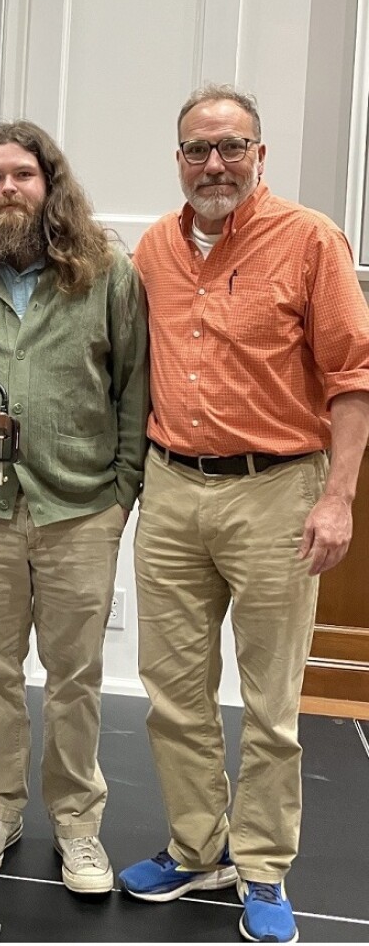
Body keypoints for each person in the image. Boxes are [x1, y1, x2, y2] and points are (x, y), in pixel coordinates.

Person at [117, 84, 369, 943]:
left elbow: (352, 377)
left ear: (260, 153)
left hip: (278, 490)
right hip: (173, 488)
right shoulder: (153, 246)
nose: (214, 164)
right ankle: (197, 847)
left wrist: (339, 498)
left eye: (231, 147)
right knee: (173, 693)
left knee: (271, 702)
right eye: (198, 149)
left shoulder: (310, 240)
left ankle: (262, 864)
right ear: (178, 157)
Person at [0, 120, 148, 893]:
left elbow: (133, 390)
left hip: (81, 509)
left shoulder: (105, 272)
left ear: (49, 185)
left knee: (77, 675)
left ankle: (79, 825)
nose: (9, 188)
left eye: (23, 174)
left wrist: (120, 495)